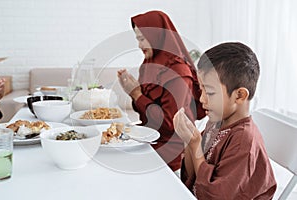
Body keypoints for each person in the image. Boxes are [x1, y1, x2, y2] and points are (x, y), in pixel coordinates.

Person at [173, 42, 277, 199]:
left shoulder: (244, 140)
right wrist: (189, 141)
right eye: (201, 90)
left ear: (239, 96)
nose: (202, 99)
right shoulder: (216, 121)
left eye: (210, 92)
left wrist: (195, 145)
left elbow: (216, 196)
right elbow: (190, 176)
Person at [117, 10, 205, 172]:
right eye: (138, 39)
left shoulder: (178, 72)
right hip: (148, 139)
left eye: (143, 39)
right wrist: (134, 92)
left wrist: (137, 94)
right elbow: (144, 112)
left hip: (170, 151)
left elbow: (169, 124)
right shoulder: (149, 64)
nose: (139, 45)